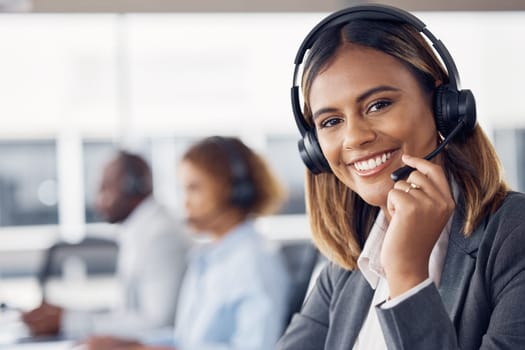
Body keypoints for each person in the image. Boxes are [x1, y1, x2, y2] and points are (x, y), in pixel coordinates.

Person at [277, 3, 525, 350]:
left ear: (442, 105)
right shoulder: (349, 265)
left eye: (378, 105)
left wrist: (407, 273)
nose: (354, 138)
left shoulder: (514, 236)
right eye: (331, 122)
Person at [84, 136, 292, 350]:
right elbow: (188, 342)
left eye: (194, 188)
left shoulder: (255, 261)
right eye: (183, 189)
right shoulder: (207, 258)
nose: (185, 202)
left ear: (234, 188)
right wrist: (135, 345)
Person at [21, 150, 192, 340]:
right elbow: (128, 311)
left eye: (106, 187)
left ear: (132, 187)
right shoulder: (138, 230)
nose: (98, 198)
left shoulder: (161, 236)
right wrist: (67, 315)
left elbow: (158, 323)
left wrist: (70, 322)